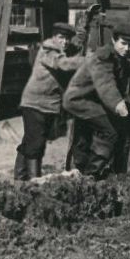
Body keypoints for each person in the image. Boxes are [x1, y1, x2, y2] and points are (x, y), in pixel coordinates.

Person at [63, 25, 130, 179]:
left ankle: (78, 171)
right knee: (110, 132)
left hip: (90, 100)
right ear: (113, 40)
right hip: (79, 100)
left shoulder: (115, 55)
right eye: (124, 43)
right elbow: (106, 84)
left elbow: (122, 65)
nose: (127, 48)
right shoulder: (103, 57)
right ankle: (91, 174)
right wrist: (118, 105)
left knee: (85, 135)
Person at [15, 22, 86, 180]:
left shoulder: (62, 49)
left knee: (30, 140)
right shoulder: (49, 50)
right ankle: (35, 181)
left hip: (47, 105)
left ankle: (19, 180)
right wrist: (90, 60)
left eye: (67, 39)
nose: (64, 42)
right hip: (35, 103)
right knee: (36, 144)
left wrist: (82, 35)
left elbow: (74, 47)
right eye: (61, 37)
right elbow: (64, 64)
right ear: (54, 37)